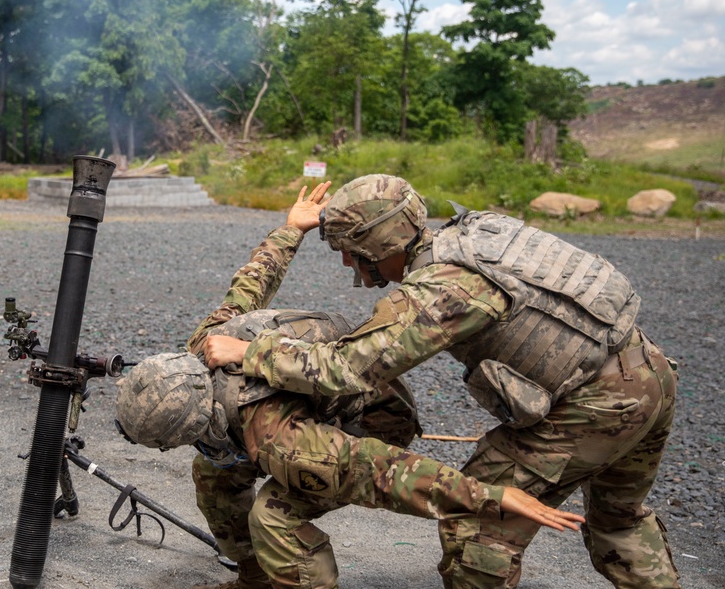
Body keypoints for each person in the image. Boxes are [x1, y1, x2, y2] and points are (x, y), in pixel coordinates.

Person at [203, 175, 680, 589]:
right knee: (619, 520)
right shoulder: (474, 235)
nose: (348, 265)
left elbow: (347, 369)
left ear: (377, 246)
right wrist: (291, 229)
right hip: (648, 373)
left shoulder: (442, 288)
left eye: (350, 253)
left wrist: (252, 352)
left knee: (477, 524)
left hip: (593, 407)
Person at [116, 182, 585, 589]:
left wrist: (487, 496)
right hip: (316, 394)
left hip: (372, 420)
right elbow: (248, 287)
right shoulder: (203, 348)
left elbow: (378, 469)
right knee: (214, 476)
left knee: (273, 517)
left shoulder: (281, 439)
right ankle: (255, 580)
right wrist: (291, 229)